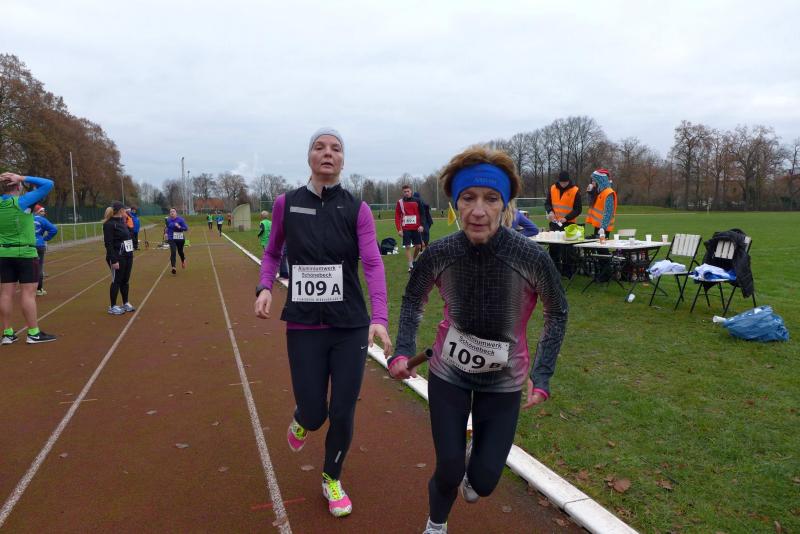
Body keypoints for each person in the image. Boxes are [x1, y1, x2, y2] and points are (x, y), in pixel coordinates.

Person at [387, 147, 567, 534]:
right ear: (455, 204)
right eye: (468, 198)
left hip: (504, 379)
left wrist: (542, 373)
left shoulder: (531, 257)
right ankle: (436, 524)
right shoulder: (440, 252)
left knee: (482, 484)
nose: (479, 211)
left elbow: (557, 312)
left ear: (506, 205)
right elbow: (413, 300)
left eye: (491, 199)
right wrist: (403, 349)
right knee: (449, 469)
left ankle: (476, 467)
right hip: (449, 372)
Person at [254, 128, 392, 518]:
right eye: (319, 147)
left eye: (336, 148)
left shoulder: (357, 209)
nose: (328, 153)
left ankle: (332, 478)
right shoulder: (286, 204)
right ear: (309, 157)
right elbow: (272, 252)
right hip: (303, 325)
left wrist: (379, 317)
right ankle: (303, 419)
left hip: (349, 325)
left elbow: (373, 264)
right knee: (315, 413)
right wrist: (264, 287)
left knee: (343, 411)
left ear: (343, 160)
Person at [0, 173, 57, 344]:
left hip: (4, 253)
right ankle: (33, 333)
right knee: (28, 293)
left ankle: (7, 334)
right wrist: (22, 177)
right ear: (17, 186)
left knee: (6, 294)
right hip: (25, 253)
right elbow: (48, 183)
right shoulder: (22, 201)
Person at [544, 171, 582, 276]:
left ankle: (568, 272)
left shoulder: (575, 190)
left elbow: (578, 209)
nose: (563, 184)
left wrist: (566, 218)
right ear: (559, 181)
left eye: (565, 182)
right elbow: (547, 203)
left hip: (569, 224)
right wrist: (550, 211)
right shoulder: (552, 188)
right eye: (561, 182)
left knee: (568, 250)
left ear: (568, 181)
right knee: (554, 248)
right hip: (555, 223)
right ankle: (555, 271)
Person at [103, 202, 136, 315]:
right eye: (125, 210)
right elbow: (108, 244)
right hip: (117, 256)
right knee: (117, 280)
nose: (126, 211)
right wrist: (114, 260)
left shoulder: (122, 222)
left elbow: (129, 235)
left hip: (127, 255)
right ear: (120, 210)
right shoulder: (109, 224)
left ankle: (125, 303)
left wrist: (129, 221)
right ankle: (112, 306)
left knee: (125, 280)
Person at [395, 184, 423, 272]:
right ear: (402, 193)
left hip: (416, 227)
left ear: (411, 191)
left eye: (408, 191)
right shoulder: (400, 202)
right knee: (407, 246)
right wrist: (399, 229)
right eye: (405, 192)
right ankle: (410, 266)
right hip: (406, 228)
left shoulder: (417, 201)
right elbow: (397, 216)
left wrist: (421, 225)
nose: (406, 193)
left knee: (418, 246)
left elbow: (422, 214)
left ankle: (413, 260)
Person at [33, 205, 58, 296]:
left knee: (27, 267)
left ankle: (28, 289)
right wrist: (46, 238)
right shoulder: (42, 220)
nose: (44, 213)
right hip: (39, 245)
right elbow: (54, 229)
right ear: (37, 212)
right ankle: (38, 289)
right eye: (42, 211)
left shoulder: (27, 218)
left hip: (27, 245)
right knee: (39, 267)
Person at [585, 168, 616, 238]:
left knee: (602, 244)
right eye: (592, 181)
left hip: (604, 227)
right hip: (598, 225)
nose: (592, 182)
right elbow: (591, 205)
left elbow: (608, 212)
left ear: (599, 181)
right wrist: (590, 193)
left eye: (594, 180)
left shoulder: (608, 193)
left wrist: (603, 227)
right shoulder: (599, 192)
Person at [166, 208, 188, 275]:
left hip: (179, 238)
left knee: (180, 251)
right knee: (173, 252)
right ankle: (173, 267)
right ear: (170, 213)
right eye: (171, 212)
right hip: (171, 238)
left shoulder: (181, 220)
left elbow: (186, 228)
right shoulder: (168, 220)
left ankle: (183, 260)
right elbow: (167, 228)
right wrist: (166, 233)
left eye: (173, 211)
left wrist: (179, 226)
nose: (172, 212)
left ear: (176, 213)